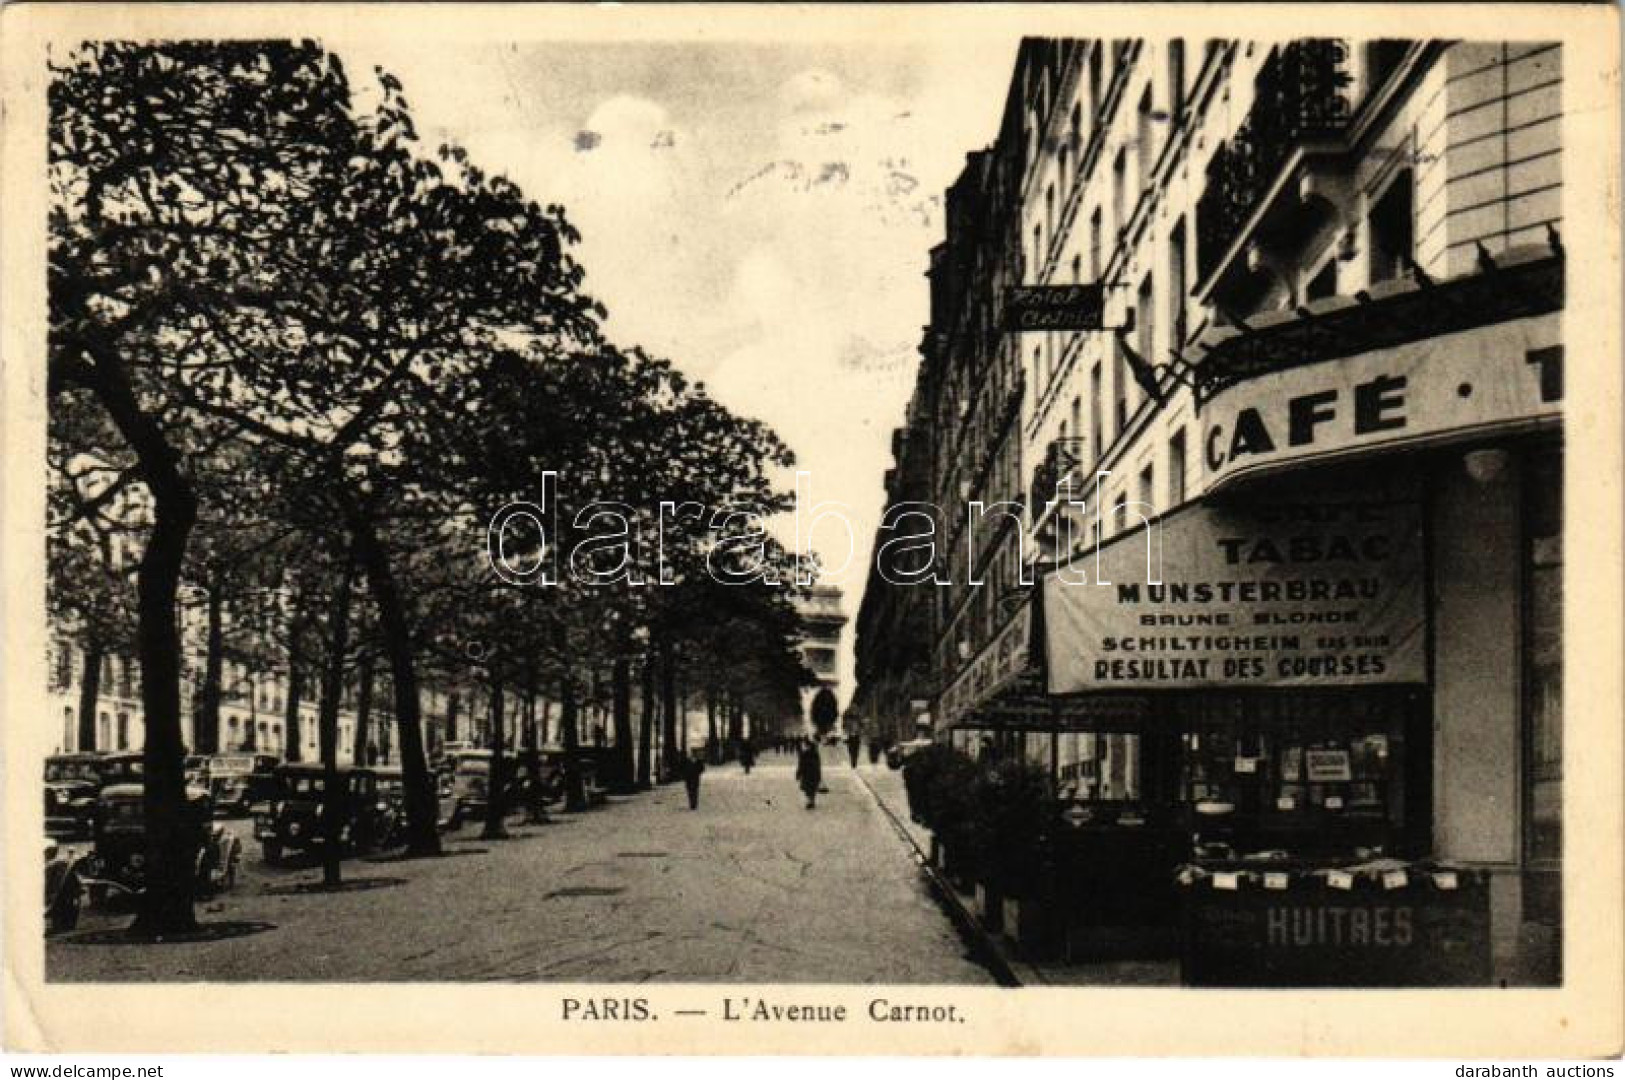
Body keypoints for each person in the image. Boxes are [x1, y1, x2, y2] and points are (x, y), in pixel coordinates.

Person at [795, 737, 822, 809]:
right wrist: (819, 775)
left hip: (807, 774)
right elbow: (818, 765)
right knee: (812, 788)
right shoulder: (815, 754)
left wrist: (798, 774)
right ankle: (811, 801)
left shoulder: (804, 754)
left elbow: (801, 765)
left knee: (808, 788)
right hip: (814, 774)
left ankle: (810, 801)